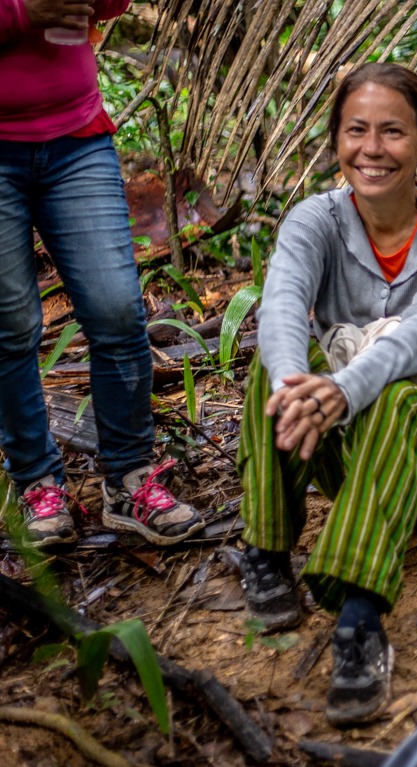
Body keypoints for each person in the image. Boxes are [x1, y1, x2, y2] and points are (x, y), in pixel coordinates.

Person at [235, 62, 417, 726]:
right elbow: (281, 308)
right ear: (336, 140)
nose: (372, 149)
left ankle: (359, 619)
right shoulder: (313, 220)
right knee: (275, 369)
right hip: (351, 440)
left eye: (392, 132)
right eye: (356, 131)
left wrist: (344, 389)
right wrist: (303, 385)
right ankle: (267, 552)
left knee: (395, 395)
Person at [0, 0, 205, 548]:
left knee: (116, 310)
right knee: (12, 326)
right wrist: (24, 13)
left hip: (76, 135)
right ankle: (38, 482)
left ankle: (130, 478)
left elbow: (105, 10)